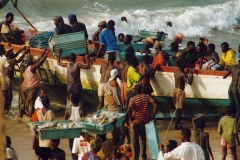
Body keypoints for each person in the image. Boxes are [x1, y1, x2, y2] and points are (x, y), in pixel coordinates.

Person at [128, 83, 157, 160]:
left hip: (136, 122)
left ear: (136, 90)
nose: (132, 90)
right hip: (145, 122)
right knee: (143, 140)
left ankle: (136, 157)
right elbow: (155, 105)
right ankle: (144, 157)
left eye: (133, 89)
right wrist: (153, 117)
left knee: (135, 141)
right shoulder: (147, 96)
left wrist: (131, 119)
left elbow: (129, 109)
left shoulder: (133, 99)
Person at [20, 49, 49, 118]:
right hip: (31, 88)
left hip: (24, 87)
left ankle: (20, 117)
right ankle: (30, 119)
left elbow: (39, 59)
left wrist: (43, 52)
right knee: (31, 104)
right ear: (31, 63)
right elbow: (40, 62)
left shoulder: (25, 67)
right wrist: (47, 53)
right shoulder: (32, 68)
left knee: (23, 103)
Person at [5, 46, 29, 113]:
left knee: (9, 94)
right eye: (11, 52)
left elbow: (15, 55)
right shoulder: (9, 60)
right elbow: (18, 60)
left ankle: (7, 109)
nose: (13, 52)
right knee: (9, 95)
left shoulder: (9, 59)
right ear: (9, 55)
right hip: (8, 80)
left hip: (8, 79)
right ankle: (7, 109)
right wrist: (24, 53)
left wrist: (21, 49)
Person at [65, 93, 86, 160]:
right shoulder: (82, 110)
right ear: (79, 100)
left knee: (73, 152)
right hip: (81, 134)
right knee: (82, 151)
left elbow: (64, 123)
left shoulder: (68, 111)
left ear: (71, 101)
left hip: (71, 134)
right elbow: (85, 124)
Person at [173, 59, 193, 130]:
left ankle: (179, 124)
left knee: (177, 108)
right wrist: (192, 75)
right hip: (180, 92)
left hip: (175, 90)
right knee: (179, 110)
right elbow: (189, 82)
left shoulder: (175, 71)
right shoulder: (182, 73)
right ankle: (176, 126)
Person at [223, 57, 240, 125]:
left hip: (230, 87)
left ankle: (231, 121)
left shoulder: (232, 67)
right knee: (238, 108)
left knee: (232, 106)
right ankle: (235, 123)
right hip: (236, 88)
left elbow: (224, 76)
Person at [0, 45, 14, 114]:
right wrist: (13, 63)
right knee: (5, 97)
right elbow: (10, 69)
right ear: (1, 51)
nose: (4, 50)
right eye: (3, 49)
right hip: (2, 79)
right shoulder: (3, 60)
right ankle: (3, 112)